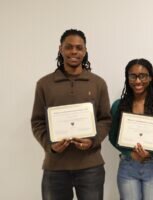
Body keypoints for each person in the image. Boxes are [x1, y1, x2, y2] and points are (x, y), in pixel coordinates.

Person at [31, 29, 111, 200]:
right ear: (60, 49)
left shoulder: (98, 83)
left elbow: (105, 120)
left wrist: (93, 141)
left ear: (85, 51)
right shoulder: (44, 84)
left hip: (91, 167)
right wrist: (50, 145)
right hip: (55, 168)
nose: (74, 52)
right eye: (69, 47)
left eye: (79, 47)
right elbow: (37, 122)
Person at [109, 58, 153, 200]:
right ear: (127, 78)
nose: (138, 81)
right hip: (127, 166)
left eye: (143, 76)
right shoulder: (118, 106)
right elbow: (112, 136)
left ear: (151, 78)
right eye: (133, 76)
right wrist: (129, 153)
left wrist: (151, 151)